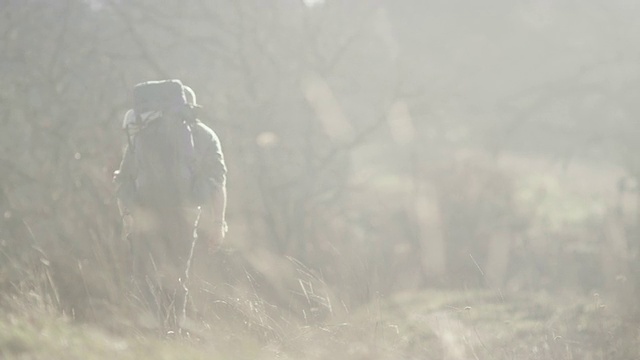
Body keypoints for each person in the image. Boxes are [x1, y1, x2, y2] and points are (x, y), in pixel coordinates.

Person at [113, 80, 227, 333]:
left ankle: (148, 335)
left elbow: (124, 179)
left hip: (144, 212)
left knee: (142, 277)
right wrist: (218, 224)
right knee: (176, 278)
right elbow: (218, 181)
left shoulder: (142, 132)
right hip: (184, 217)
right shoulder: (205, 136)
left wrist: (127, 216)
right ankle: (172, 334)